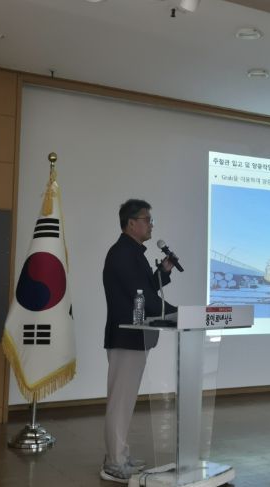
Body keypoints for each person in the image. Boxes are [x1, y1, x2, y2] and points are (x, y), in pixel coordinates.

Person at [101, 199, 177, 483]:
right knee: (119, 402)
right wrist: (177, 313)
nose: (151, 225)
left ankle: (120, 454)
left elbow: (144, 290)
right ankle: (113, 463)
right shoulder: (122, 253)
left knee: (125, 401)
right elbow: (140, 295)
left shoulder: (133, 253)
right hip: (126, 336)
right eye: (147, 220)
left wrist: (163, 273)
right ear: (131, 223)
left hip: (136, 335)